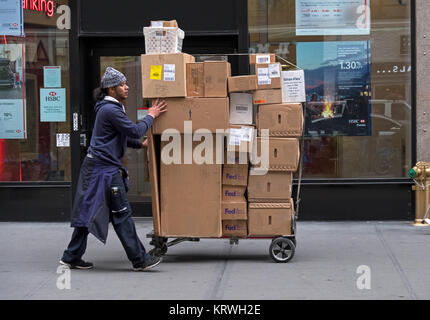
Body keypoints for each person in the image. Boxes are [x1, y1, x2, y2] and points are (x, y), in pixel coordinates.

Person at [59, 67, 167, 271]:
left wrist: (138, 144)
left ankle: (71, 256)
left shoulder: (110, 108)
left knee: (88, 212)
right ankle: (140, 259)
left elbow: (117, 136)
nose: (126, 87)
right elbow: (135, 130)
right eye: (122, 84)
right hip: (103, 170)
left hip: (101, 168)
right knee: (121, 213)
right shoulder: (110, 110)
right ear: (111, 89)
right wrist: (151, 115)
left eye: (126, 83)